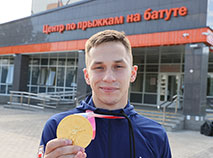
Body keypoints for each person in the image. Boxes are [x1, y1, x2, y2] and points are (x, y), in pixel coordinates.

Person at [39, 30, 171, 158]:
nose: (108, 78)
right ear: (87, 76)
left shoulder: (155, 134)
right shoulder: (58, 127)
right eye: (99, 68)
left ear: (133, 73)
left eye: (118, 66)